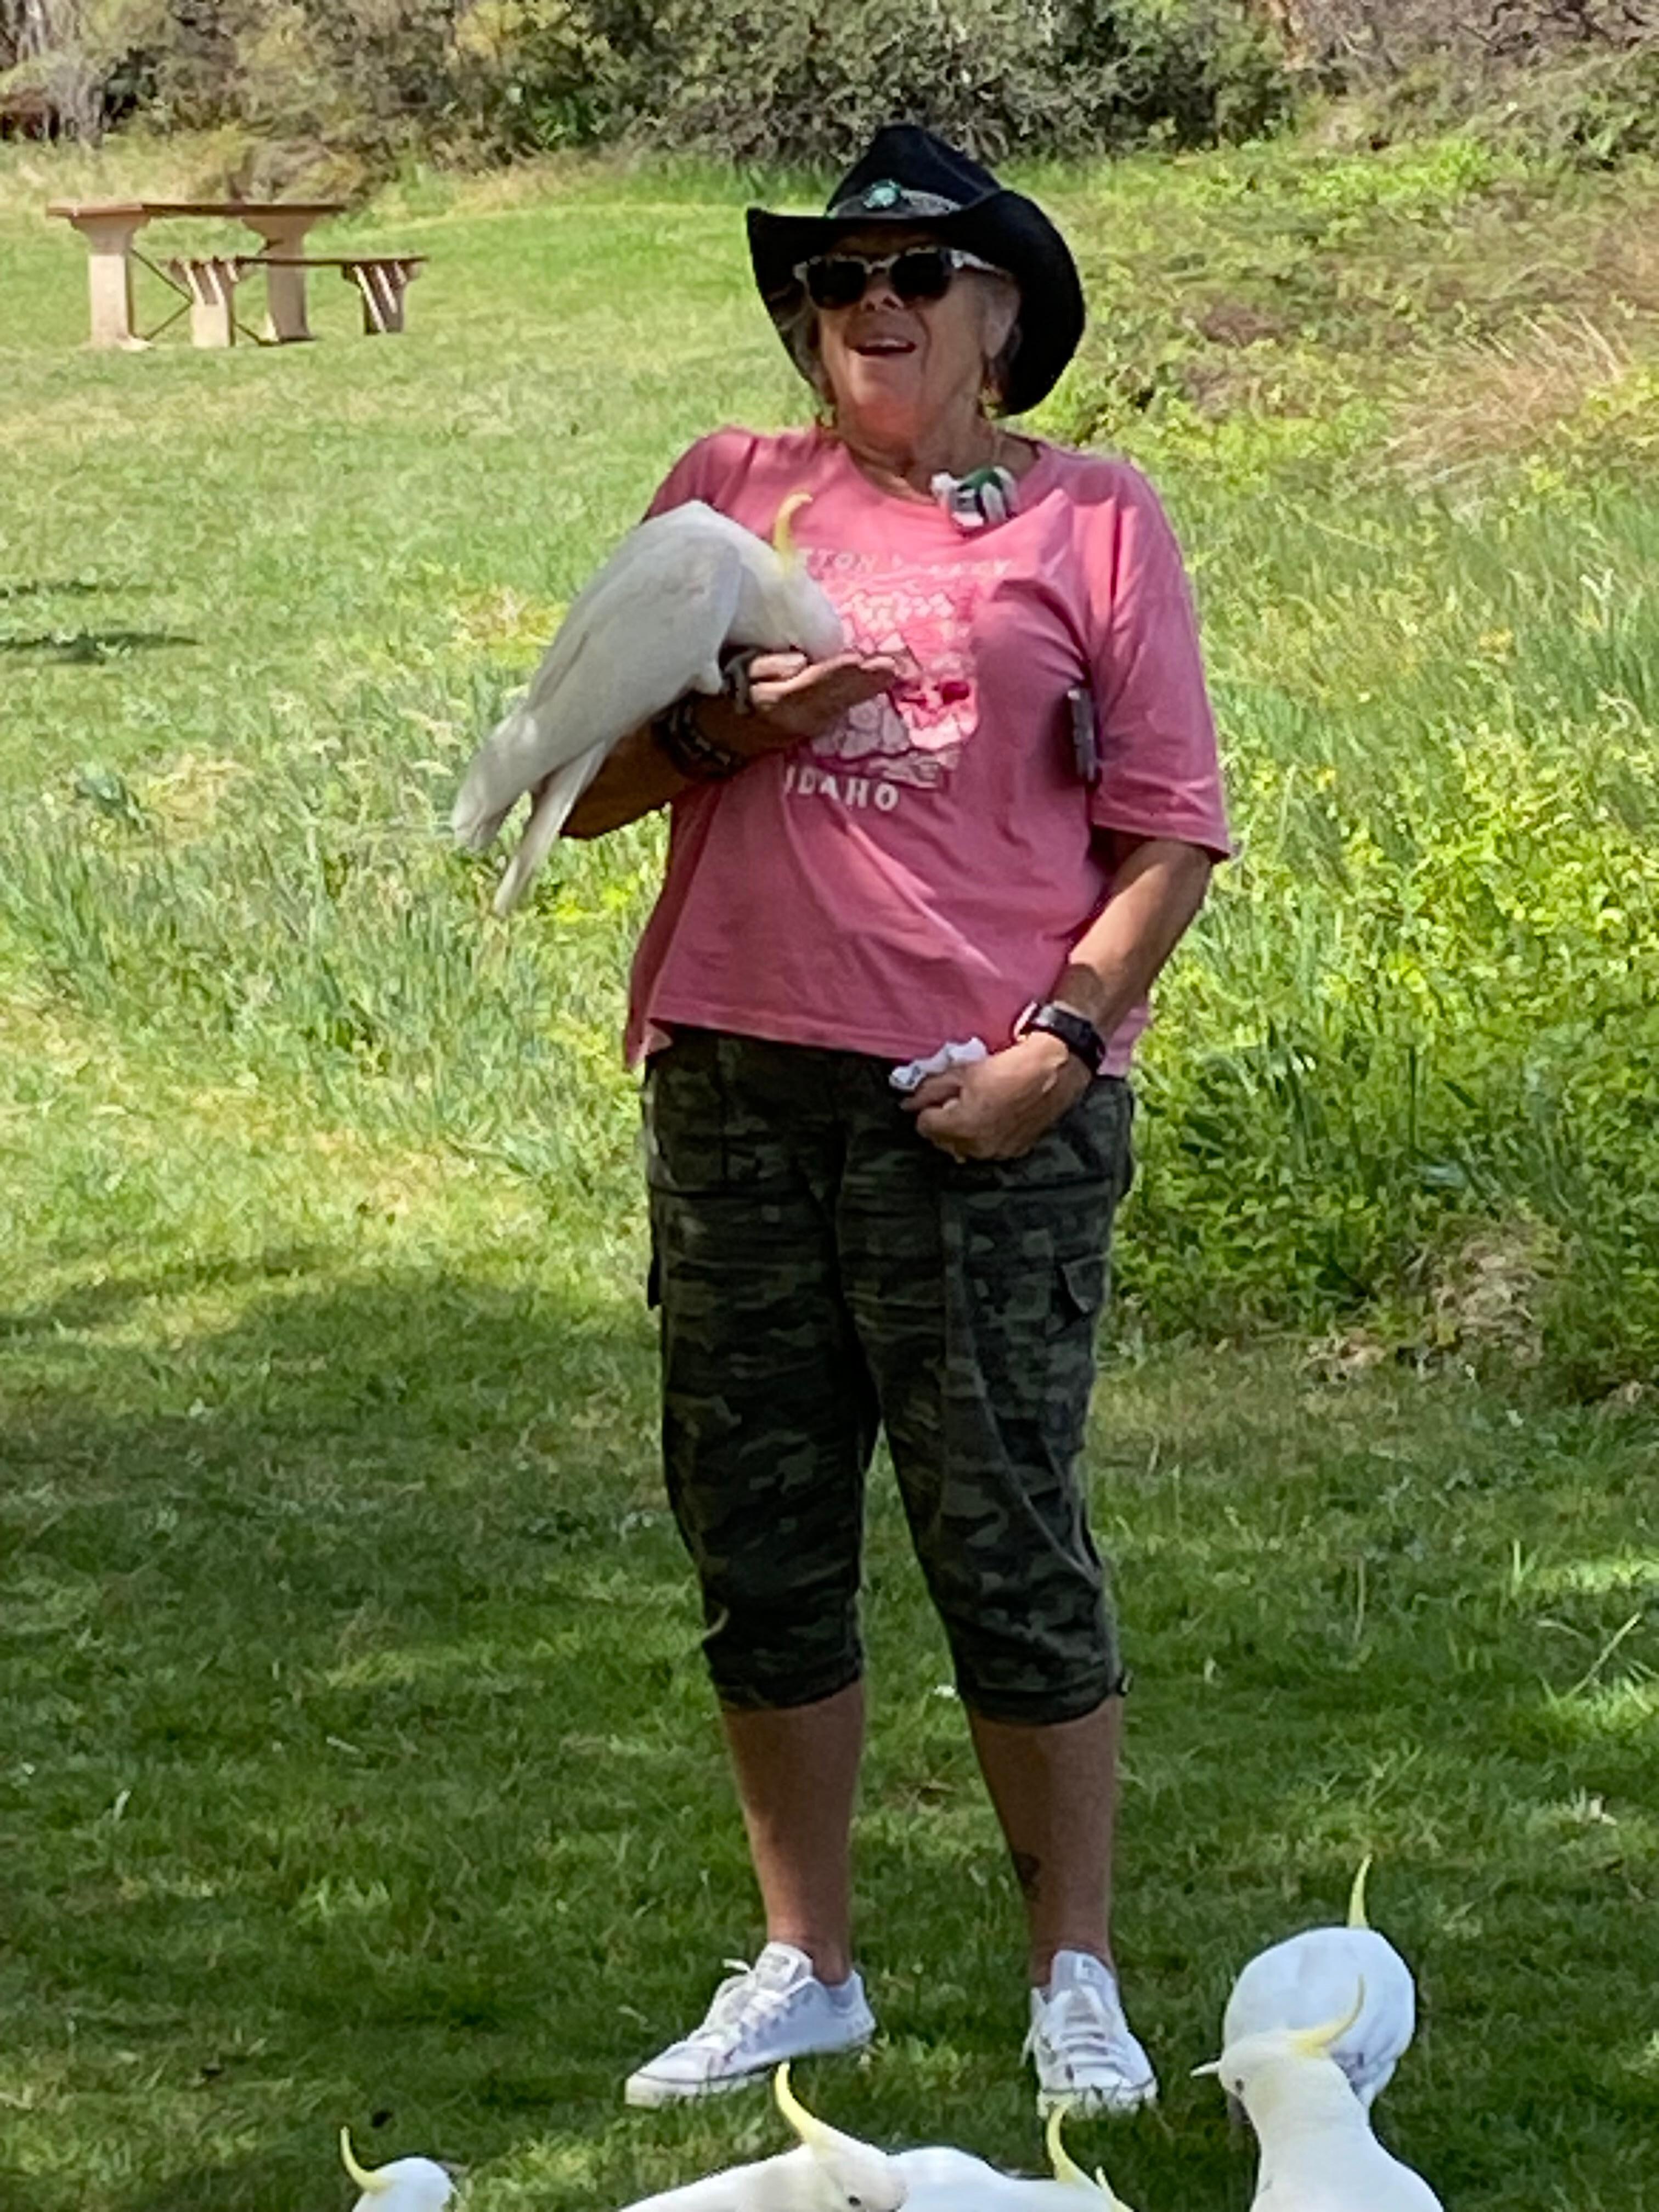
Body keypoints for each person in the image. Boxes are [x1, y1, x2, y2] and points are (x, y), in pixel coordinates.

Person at [565, 123, 1231, 2117]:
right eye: (837, 279)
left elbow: (1170, 832)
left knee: (1005, 1534)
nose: (869, 304)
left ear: (1001, 316)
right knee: (758, 1535)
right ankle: (805, 1968)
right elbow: (588, 788)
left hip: (984, 1104)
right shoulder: (724, 497)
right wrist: (742, 725)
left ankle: (1075, 1978)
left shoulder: (1098, 519)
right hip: (737, 1080)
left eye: (917, 274)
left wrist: (1065, 1045)